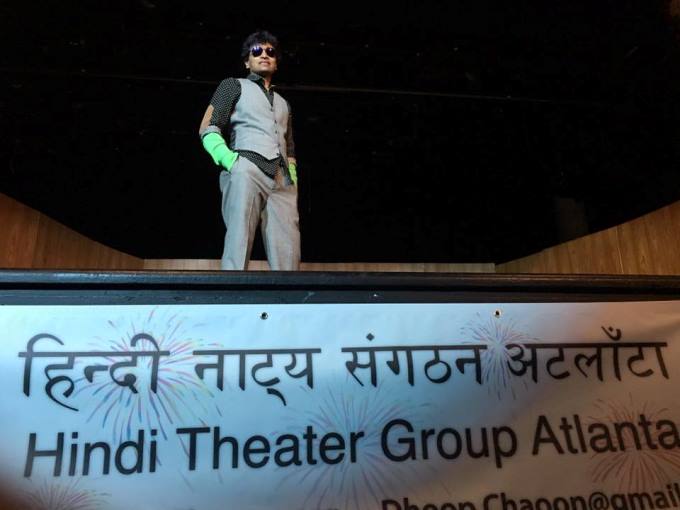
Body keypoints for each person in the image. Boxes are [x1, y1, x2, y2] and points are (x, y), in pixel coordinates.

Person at [198, 30, 300, 270]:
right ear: (247, 61)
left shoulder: (284, 103)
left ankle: (288, 294)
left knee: (289, 250)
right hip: (247, 168)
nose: (264, 54)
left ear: (276, 62)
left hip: (282, 180)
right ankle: (231, 292)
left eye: (270, 51)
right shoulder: (233, 85)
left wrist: (293, 179)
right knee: (239, 241)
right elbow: (208, 127)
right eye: (256, 51)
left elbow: (290, 146)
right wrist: (231, 161)